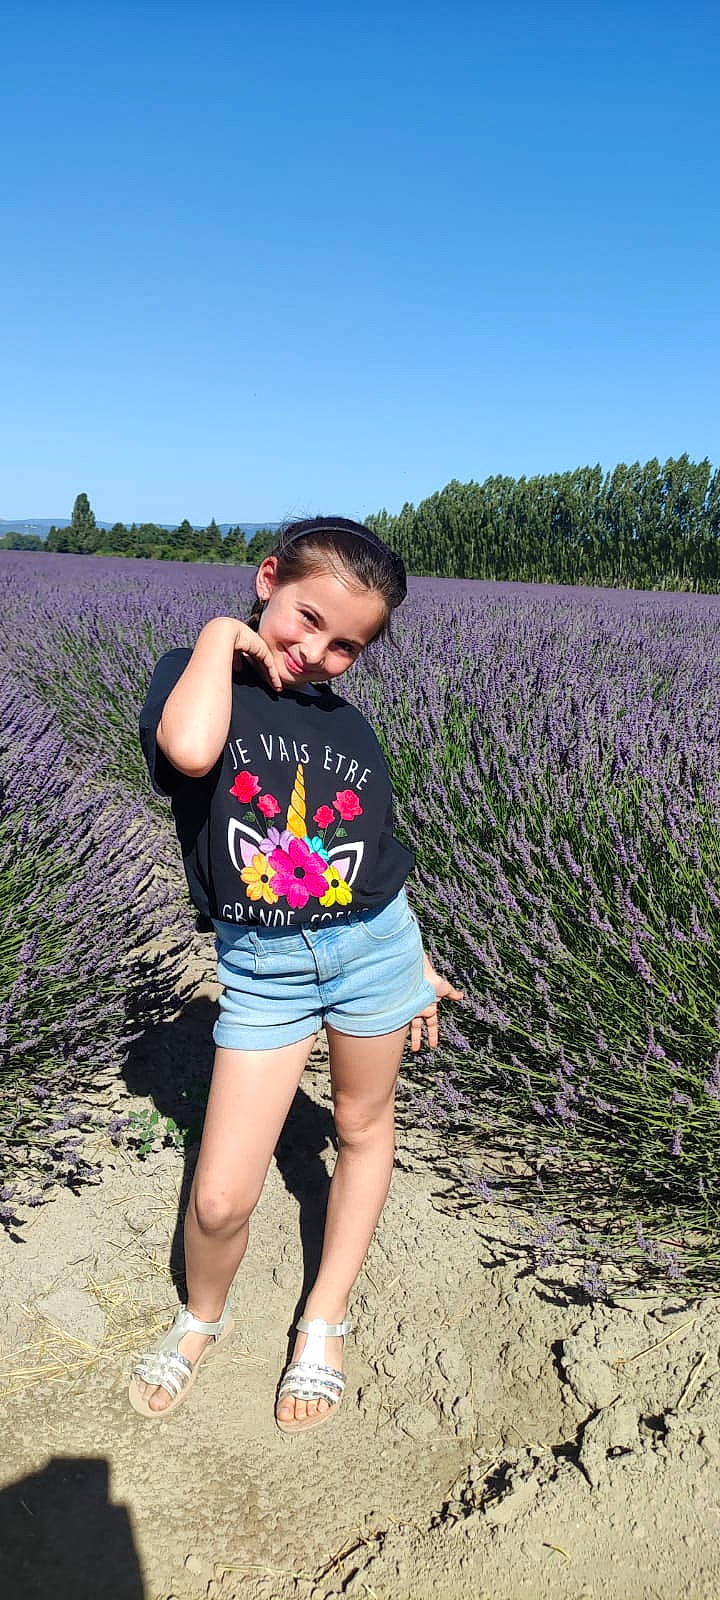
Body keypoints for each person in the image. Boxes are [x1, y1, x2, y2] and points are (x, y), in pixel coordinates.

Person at [130, 516, 463, 1433]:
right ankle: (202, 1315)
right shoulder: (191, 676)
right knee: (222, 1192)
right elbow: (192, 753)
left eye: (347, 644)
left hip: (374, 951)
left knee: (361, 1127)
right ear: (267, 578)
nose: (317, 651)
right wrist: (217, 639)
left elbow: (375, 852)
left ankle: (325, 1317)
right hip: (267, 971)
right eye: (305, 617)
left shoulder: (347, 725)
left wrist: (418, 961)